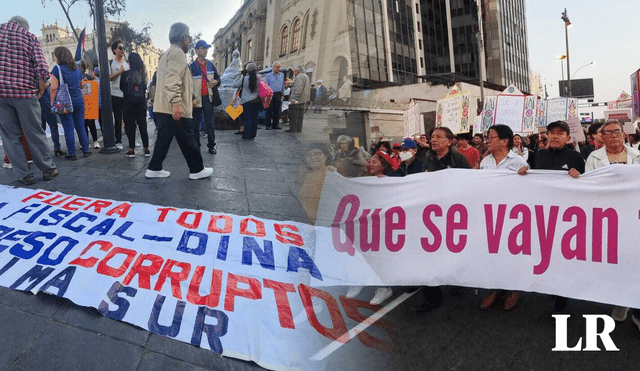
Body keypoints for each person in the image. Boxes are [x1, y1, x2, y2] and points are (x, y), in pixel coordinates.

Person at [518, 120, 585, 313]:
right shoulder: (539, 155)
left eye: (560, 133)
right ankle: (551, 284)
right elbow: (531, 176)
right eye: (552, 132)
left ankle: (562, 295)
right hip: (543, 213)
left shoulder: (576, 157)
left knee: (564, 252)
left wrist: (578, 174)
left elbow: (587, 184)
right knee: (547, 251)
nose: (555, 136)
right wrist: (523, 173)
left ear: (568, 137)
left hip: (566, 215)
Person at [583, 121, 640, 326]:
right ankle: (620, 300)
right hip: (608, 217)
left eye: (617, 132)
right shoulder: (594, 158)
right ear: (602, 137)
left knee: (636, 261)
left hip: (635, 216)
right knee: (615, 260)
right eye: (609, 133)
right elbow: (588, 186)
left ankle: (637, 309)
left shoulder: (637, 155)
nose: (614, 135)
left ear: (624, 135)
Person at [145, 22, 213, 180]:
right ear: (184, 37)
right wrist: (177, 103)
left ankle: (154, 168)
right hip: (173, 107)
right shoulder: (177, 54)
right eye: (189, 37)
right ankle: (197, 169)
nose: (189, 41)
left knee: (165, 138)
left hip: (164, 107)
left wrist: (189, 99)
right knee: (188, 139)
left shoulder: (167, 54)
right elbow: (173, 80)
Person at [0, 16, 58, 184]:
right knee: (34, 132)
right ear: (24, 27)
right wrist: (40, 90)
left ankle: (24, 175)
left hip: (1, 94)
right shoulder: (28, 37)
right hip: (25, 93)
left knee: (10, 137)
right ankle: (48, 169)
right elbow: (41, 67)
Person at [479, 124, 529, 311]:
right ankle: (494, 288)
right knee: (492, 253)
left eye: (491, 137)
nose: (488, 141)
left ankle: (513, 289)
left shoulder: (518, 162)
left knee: (512, 253)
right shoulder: (485, 162)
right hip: (489, 214)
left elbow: (529, 191)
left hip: (512, 216)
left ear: (504, 140)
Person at [50, 46, 91, 160]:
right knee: (80, 127)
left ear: (59, 56)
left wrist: (52, 102)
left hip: (65, 103)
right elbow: (82, 85)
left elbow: (53, 88)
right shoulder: (77, 69)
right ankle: (86, 150)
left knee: (68, 128)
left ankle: (72, 153)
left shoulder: (57, 69)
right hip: (78, 100)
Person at [189, 40, 221, 153]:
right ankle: (196, 146)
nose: (205, 51)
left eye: (206, 48)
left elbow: (218, 78)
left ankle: (211, 146)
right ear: (197, 51)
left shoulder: (210, 64)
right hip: (196, 99)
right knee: (195, 125)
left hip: (208, 97)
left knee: (210, 124)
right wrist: (192, 98)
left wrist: (216, 82)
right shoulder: (192, 66)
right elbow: (188, 85)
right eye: (203, 48)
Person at [120, 52, 150, 158]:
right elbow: (144, 89)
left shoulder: (125, 74)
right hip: (141, 104)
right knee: (143, 126)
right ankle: (146, 149)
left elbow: (121, 88)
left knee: (130, 127)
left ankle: (132, 150)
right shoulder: (142, 76)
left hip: (128, 104)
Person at [232, 63, 261, 140]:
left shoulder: (244, 79)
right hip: (256, 101)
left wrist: (238, 75)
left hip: (247, 102)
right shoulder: (259, 78)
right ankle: (253, 135)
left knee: (247, 119)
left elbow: (234, 85)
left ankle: (246, 135)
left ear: (247, 70)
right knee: (254, 119)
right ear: (256, 70)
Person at [109, 39, 129, 149]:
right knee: (117, 119)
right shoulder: (111, 63)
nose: (122, 50)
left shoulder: (126, 63)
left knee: (128, 118)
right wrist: (119, 72)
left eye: (123, 48)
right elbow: (108, 78)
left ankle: (132, 140)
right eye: (120, 48)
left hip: (126, 95)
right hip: (115, 94)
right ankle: (118, 141)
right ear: (114, 50)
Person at [80, 58, 100, 150]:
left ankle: (87, 142)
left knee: (86, 123)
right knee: (90, 123)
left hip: (85, 102)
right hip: (88, 102)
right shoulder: (89, 76)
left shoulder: (88, 76)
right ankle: (94, 141)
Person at [287, 64, 310, 133]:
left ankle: (292, 129)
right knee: (300, 116)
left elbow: (298, 89)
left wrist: (294, 99)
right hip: (302, 100)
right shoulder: (306, 76)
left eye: (295, 71)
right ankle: (298, 129)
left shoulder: (300, 77)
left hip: (297, 100)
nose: (294, 72)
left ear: (297, 71)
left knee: (294, 115)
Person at [263, 62, 284, 130]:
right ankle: (268, 125)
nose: (278, 69)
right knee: (269, 110)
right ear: (273, 67)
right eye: (277, 67)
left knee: (277, 110)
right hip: (270, 94)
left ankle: (275, 124)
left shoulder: (281, 75)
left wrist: (282, 93)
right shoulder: (268, 75)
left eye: (279, 67)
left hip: (278, 93)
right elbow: (265, 85)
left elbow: (282, 84)